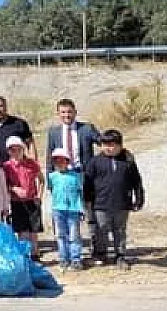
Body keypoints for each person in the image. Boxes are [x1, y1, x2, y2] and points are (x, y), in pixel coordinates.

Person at [46, 98, 102, 255]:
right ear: (58, 113)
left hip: (83, 175)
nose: (67, 115)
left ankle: (96, 247)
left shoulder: (87, 128)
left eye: (69, 111)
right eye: (63, 112)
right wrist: (50, 181)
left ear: (75, 112)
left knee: (90, 212)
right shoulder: (53, 132)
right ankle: (67, 251)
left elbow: (103, 142)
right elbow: (49, 156)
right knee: (65, 214)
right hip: (62, 178)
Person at [85, 130, 145, 269]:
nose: (108, 148)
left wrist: (139, 198)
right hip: (100, 203)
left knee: (120, 230)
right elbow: (87, 183)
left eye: (112, 145)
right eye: (105, 144)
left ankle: (120, 255)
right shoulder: (95, 162)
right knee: (101, 229)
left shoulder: (128, 161)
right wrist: (87, 201)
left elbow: (136, 181)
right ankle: (100, 254)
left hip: (122, 203)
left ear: (120, 145)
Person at [3, 136, 45, 260]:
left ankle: (35, 254)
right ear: (8, 152)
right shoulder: (6, 166)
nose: (16, 153)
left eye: (18, 149)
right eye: (12, 150)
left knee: (34, 230)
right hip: (17, 202)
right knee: (22, 231)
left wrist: (39, 196)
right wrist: (14, 189)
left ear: (23, 149)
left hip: (32, 200)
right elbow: (4, 185)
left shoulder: (31, 164)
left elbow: (41, 180)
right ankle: (24, 255)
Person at [47, 149, 84, 271]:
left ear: (67, 161)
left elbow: (79, 193)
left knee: (74, 235)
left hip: (73, 209)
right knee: (61, 234)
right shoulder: (52, 176)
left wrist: (81, 209)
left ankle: (75, 258)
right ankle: (63, 258)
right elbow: (52, 190)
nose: (59, 163)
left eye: (62, 160)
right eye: (56, 161)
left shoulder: (75, 176)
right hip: (58, 209)